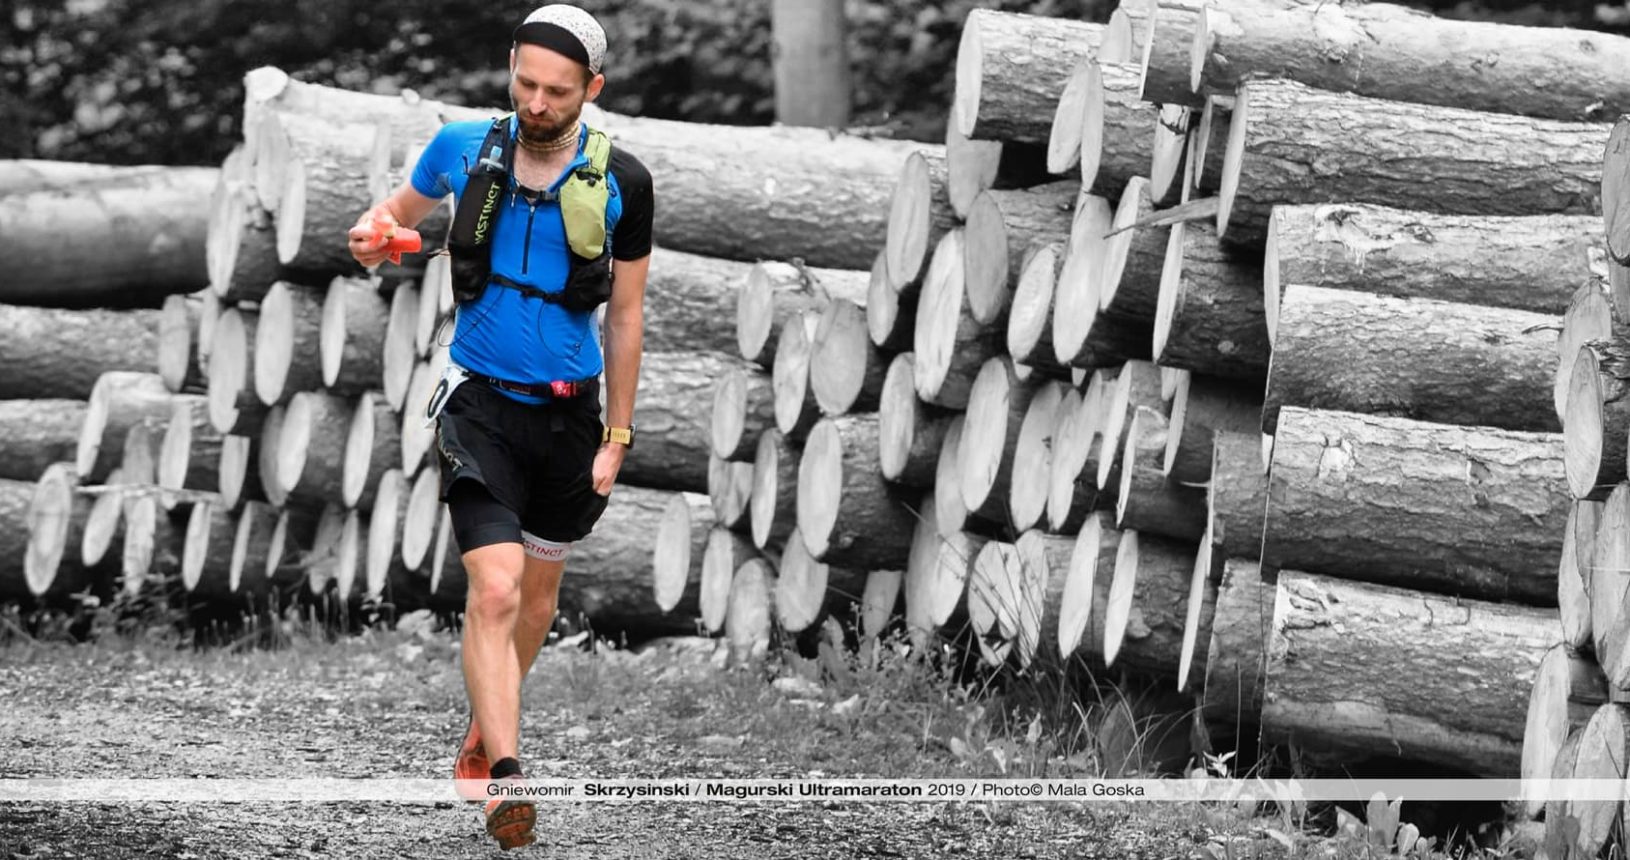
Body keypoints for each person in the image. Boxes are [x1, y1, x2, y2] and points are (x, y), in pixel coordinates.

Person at [347, 4, 653, 850]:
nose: (537, 103)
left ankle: (486, 732)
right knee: (495, 588)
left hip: (570, 416)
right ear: (511, 67)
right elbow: (388, 223)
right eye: (525, 83)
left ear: (593, 89)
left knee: (537, 601)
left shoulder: (624, 182)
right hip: (478, 401)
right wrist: (374, 238)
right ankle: (508, 780)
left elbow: (627, 317)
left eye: (558, 91)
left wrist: (617, 436)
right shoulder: (460, 148)